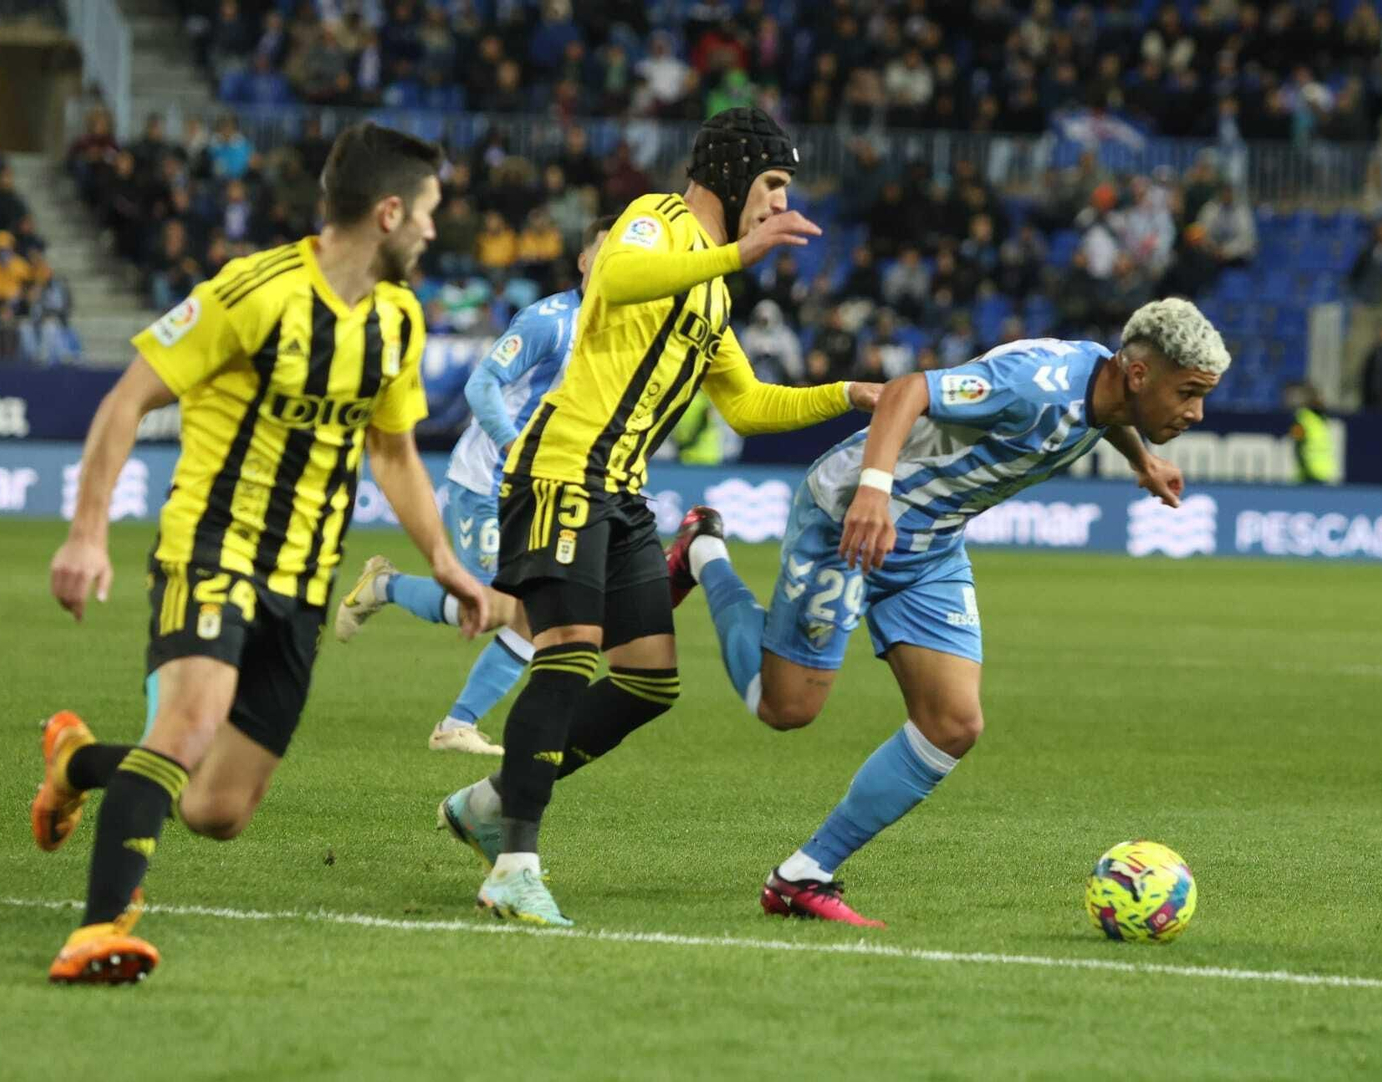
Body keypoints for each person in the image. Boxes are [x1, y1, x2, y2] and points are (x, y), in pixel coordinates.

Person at [33, 122, 491, 984]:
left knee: (216, 809)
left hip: (305, 581)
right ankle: (96, 932)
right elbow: (126, 401)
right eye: (428, 212)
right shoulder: (254, 293)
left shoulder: (398, 320)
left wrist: (443, 559)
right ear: (389, 212)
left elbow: (392, 453)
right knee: (189, 722)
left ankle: (77, 764)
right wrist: (87, 531)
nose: (435, 230)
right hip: (213, 545)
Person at [435, 107, 883, 927]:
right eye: (773, 183)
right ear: (736, 170)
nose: (779, 202)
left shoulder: (709, 288)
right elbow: (613, 280)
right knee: (566, 654)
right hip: (563, 465)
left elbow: (746, 404)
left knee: (648, 681)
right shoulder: (657, 221)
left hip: (623, 491)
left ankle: (489, 802)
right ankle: (514, 865)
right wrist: (737, 253)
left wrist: (851, 395)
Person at [673, 301, 1224, 925]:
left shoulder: (1110, 390)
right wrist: (875, 494)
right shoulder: (1031, 383)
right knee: (786, 707)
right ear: (1140, 375)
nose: (1196, 412)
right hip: (849, 521)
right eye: (1188, 393)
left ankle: (804, 875)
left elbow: (1105, 414)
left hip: (930, 546)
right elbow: (907, 391)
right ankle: (703, 552)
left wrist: (1142, 460)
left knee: (953, 722)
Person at [334, 215, 620, 754]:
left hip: (548, 493)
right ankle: (385, 590)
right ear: (583, 262)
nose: (613, 263)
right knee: (500, 605)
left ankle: (455, 721)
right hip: (488, 481)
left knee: (529, 615)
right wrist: (515, 445)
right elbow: (482, 383)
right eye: (603, 252)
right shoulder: (550, 322)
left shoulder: (624, 332)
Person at [1286, 381, 1340, 484]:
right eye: (1319, 398)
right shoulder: (1306, 417)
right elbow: (1297, 435)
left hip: (1319, 472)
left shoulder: (1316, 418)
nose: (1322, 401)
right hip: (1310, 472)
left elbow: (1297, 435)